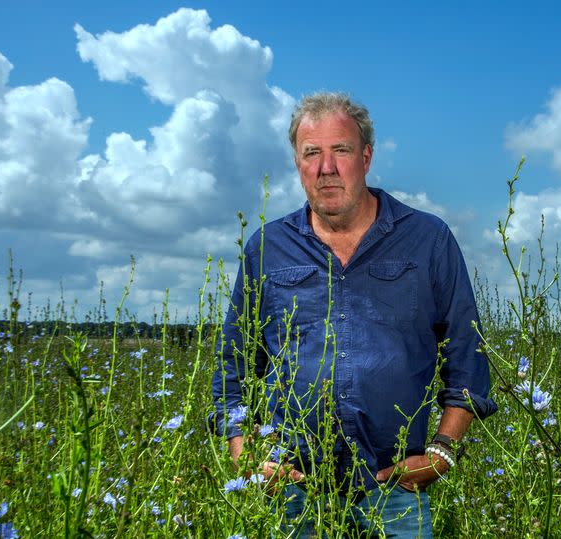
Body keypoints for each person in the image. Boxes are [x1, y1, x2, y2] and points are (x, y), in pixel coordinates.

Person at [212, 92, 496, 538]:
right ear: (297, 162)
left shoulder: (428, 239)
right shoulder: (266, 248)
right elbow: (234, 366)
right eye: (312, 153)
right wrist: (246, 454)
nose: (327, 168)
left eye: (340, 150)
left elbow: (468, 355)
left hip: (397, 487)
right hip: (293, 490)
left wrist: (443, 451)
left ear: (366, 156)